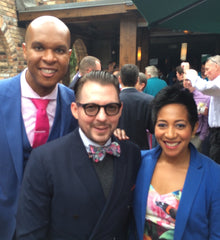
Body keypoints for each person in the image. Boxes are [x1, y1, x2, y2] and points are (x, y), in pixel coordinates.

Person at [16, 71, 141, 239]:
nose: (102, 118)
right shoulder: (45, 160)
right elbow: (30, 232)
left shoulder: (132, 154)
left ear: (120, 110)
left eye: (111, 107)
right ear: (75, 110)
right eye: (91, 108)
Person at [0, 16, 78, 240]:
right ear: (24, 50)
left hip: (55, 228)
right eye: (39, 47)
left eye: (59, 50)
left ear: (69, 56)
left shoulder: (76, 106)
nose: (49, 58)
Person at [133, 84, 220, 240]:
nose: (170, 134)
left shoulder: (214, 176)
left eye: (180, 125)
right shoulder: (139, 162)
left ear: (194, 128)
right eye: (162, 125)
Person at [185, 55, 220, 163]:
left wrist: (190, 72)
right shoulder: (182, 93)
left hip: (204, 133)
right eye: (185, 80)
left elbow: (204, 88)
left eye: (207, 69)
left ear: (218, 67)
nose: (205, 73)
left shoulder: (203, 94)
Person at [118, 64, 153, 150]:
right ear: (137, 80)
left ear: (120, 79)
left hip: (119, 147)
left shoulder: (113, 100)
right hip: (141, 148)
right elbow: (153, 128)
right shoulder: (149, 100)